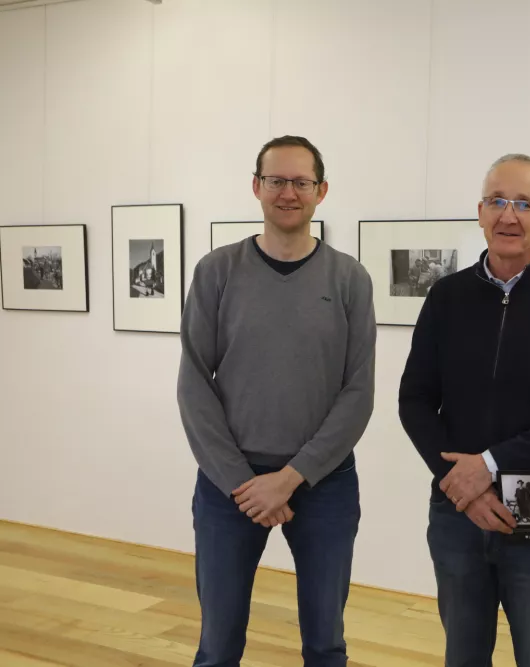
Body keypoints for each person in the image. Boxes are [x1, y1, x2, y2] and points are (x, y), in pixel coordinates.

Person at [398, 153, 530, 666]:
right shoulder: (447, 296)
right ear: (480, 211)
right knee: (464, 652)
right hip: (456, 508)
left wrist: (487, 465)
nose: (508, 215)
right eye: (496, 201)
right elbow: (415, 399)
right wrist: (461, 484)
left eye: (524, 204)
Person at [177, 135, 376, 667]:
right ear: (256, 187)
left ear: (322, 191)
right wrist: (243, 484)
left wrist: (290, 478)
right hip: (229, 490)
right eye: (277, 180)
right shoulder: (216, 272)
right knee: (216, 646)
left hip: (324, 483)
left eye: (301, 182)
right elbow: (194, 383)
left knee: (326, 644)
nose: (289, 193)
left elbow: (358, 394)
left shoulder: (350, 279)